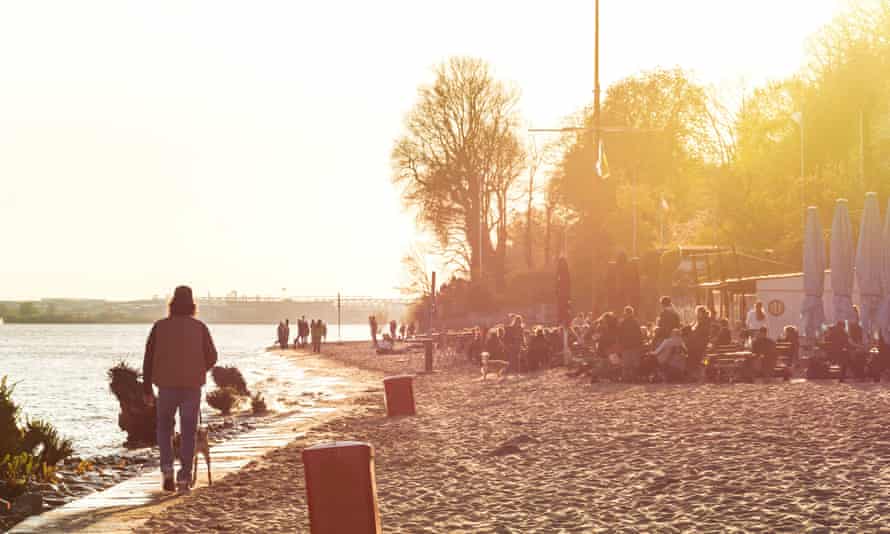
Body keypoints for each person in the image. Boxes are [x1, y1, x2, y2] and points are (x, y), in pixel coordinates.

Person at [142, 286, 218, 494]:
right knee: (188, 432)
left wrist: (147, 388)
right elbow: (212, 356)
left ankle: (167, 470)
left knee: (164, 429)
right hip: (192, 387)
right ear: (192, 304)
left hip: (166, 386)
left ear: (172, 303)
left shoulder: (159, 327)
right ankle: (184, 478)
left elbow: (148, 359)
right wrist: (198, 369)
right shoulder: (199, 327)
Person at [617, 306, 644, 381]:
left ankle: (626, 378)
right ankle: (634, 378)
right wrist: (640, 344)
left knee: (626, 363)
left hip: (626, 345)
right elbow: (639, 334)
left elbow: (619, 335)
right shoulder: (635, 322)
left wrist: (620, 344)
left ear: (625, 313)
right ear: (632, 313)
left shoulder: (623, 322)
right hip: (634, 345)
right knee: (634, 363)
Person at [687, 306, 711, 378]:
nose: (697, 314)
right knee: (693, 354)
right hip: (699, 343)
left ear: (702, 313)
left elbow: (702, 332)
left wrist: (693, 333)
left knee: (696, 356)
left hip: (701, 344)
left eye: (698, 313)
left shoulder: (704, 321)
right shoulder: (700, 320)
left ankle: (697, 373)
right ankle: (697, 373)